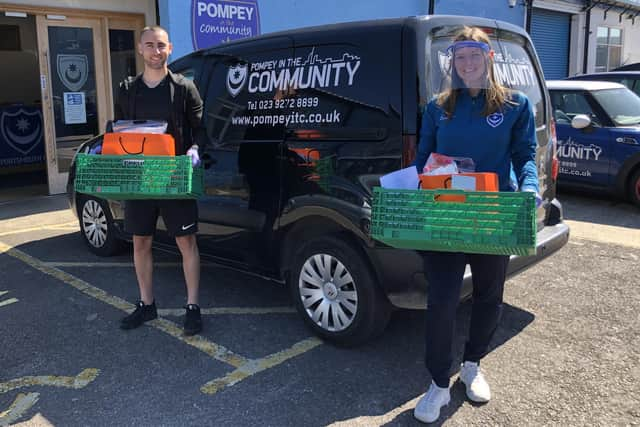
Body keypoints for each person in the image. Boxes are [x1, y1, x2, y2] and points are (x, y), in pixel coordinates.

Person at [412, 26, 540, 423]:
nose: (466, 64)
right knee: (443, 300)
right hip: (447, 212)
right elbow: (423, 159)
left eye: (473, 55)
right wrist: (420, 184)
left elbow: (525, 155)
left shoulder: (516, 105)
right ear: (453, 63)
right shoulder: (439, 106)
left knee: (488, 296)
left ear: (489, 57)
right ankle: (437, 382)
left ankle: (472, 365)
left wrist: (531, 186)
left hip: (493, 214)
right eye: (459, 57)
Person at [114, 25, 205, 336]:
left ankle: (193, 307)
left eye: (161, 45)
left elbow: (201, 130)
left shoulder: (183, 88)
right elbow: (121, 129)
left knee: (186, 242)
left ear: (171, 49)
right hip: (140, 177)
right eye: (150, 45)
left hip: (175, 177)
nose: (156, 51)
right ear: (140, 48)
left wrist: (194, 150)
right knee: (140, 242)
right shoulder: (127, 89)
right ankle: (146, 304)